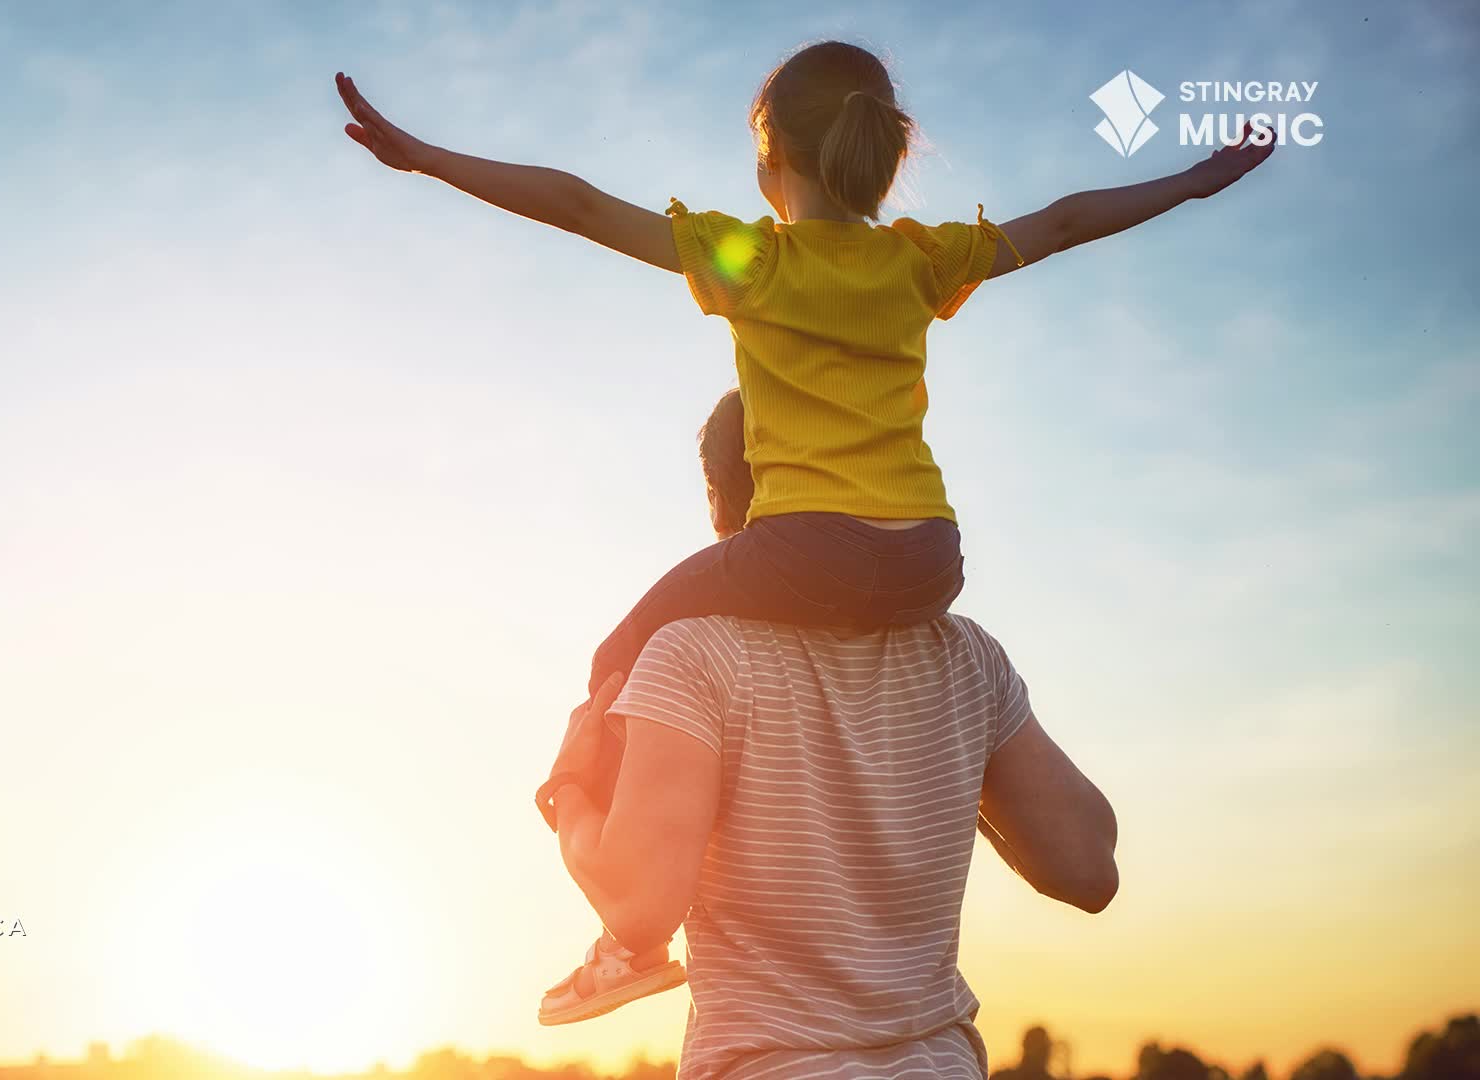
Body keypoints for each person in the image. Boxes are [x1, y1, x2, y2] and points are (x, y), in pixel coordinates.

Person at [334, 38, 1260, 1017]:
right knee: (739, 619)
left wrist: (429, 158)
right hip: (927, 560)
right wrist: (1199, 180)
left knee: (622, 648)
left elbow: (578, 205)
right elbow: (1069, 219)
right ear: (881, 151)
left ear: (772, 159)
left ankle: (624, 941)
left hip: (803, 549)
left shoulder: (756, 259)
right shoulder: (921, 259)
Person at [542, 388, 1119, 1076]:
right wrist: (964, 759)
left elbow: (638, 911)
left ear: (719, 501)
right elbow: (1090, 867)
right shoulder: (965, 657)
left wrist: (568, 791)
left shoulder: (693, 655)